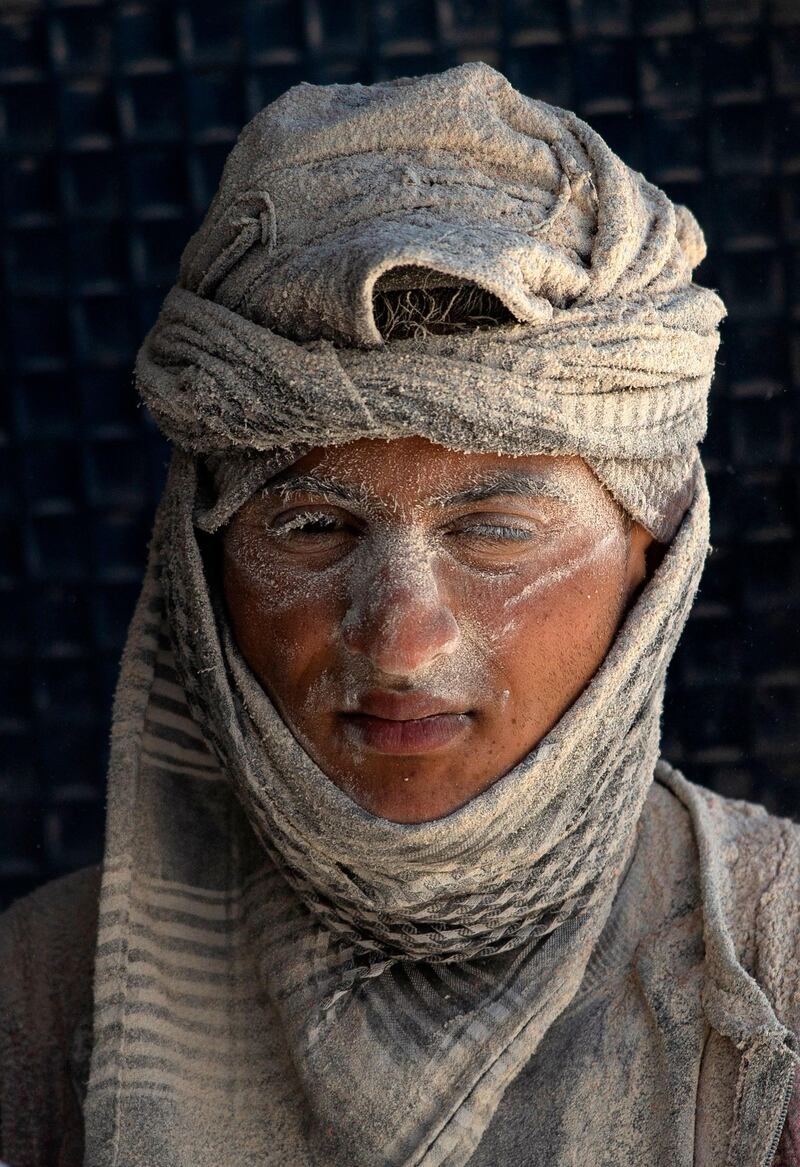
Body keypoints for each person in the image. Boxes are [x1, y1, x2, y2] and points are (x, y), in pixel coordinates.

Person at [1, 61, 798, 1167]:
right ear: (201, 562)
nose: (400, 640)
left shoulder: (770, 963)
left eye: (492, 531)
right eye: (313, 527)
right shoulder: (41, 996)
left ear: (648, 558)